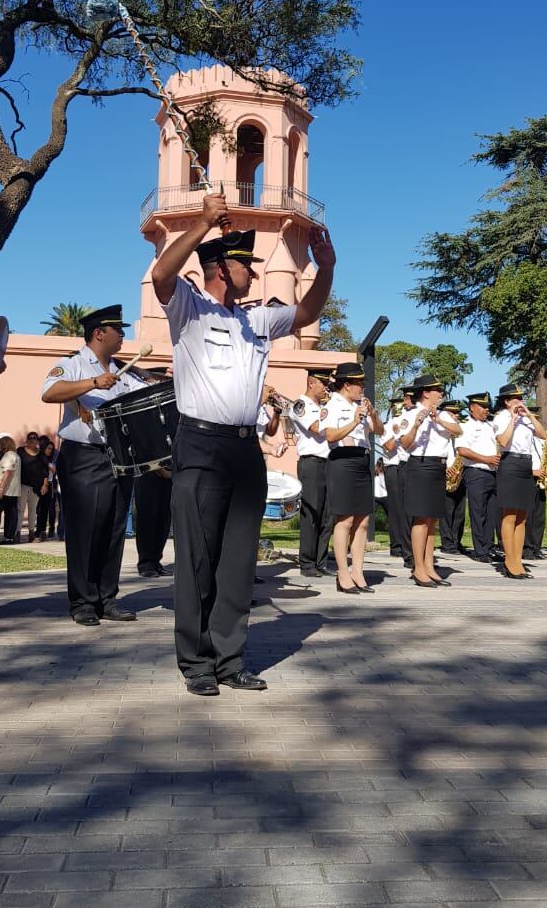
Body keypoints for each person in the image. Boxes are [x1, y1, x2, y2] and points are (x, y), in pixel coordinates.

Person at [151, 195, 335, 696]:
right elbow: (162, 275)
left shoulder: (257, 319)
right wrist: (203, 224)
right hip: (200, 446)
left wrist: (327, 267)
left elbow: (307, 311)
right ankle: (196, 664)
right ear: (217, 267)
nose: (252, 273)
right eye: (243, 264)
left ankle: (230, 661)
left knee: (236, 563)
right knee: (197, 558)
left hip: (243, 449)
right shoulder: (189, 308)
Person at [41, 304, 144, 625]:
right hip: (84, 455)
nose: (123, 336)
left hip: (118, 457)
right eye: (119, 330)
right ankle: (83, 602)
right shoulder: (72, 364)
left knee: (114, 528)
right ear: (100, 333)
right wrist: (92, 384)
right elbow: (49, 392)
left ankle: (107, 597)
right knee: (86, 528)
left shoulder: (124, 371)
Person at [323, 362, 382, 594]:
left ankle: (358, 571)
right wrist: (354, 422)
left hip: (361, 460)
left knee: (363, 521)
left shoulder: (361, 405)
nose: (363, 387)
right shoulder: (333, 405)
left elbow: (379, 431)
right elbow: (330, 435)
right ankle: (343, 572)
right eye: (359, 383)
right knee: (345, 520)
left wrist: (373, 415)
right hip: (342, 461)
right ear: (346, 385)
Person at [399, 375, 462, 588]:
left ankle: (429, 565)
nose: (441, 393)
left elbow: (458, 431)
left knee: (432, 519)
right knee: (421, 518)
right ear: (425, 393)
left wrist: (439, 420)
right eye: (437, 390)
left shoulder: (443, 414)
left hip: (438, 466)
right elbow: (405, 444)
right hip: (420, 465)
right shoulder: (411, 414)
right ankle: (418, 568)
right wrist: (417, 426)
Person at [493, 383, 547, 579]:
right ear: (506, 401)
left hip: (526, 464)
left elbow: (543, 434)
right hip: (510, 463)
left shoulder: (526, 418)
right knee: (509, 514)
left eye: (521, 398)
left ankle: (517, 559)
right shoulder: (501, 417)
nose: (520, 401)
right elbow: (503, 442)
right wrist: (513, 421)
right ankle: (510, 561)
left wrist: (529, 415)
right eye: (516, 398)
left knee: (522, 517)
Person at [288, 369, 334, 578]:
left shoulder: (324, 407)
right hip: (311, 463)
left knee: (327, 515)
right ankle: (307, 563)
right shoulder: (300, 405)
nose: (326, 387)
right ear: (311, 383)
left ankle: (321, 561)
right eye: (323, 383)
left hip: (329, 462)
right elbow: (316, 428)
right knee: (311, 513)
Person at [455, 392, 501, 563]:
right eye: (482, 407)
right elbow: (462, 450)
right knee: (478, 512)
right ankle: (480, 550)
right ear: (472, 408)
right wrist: (486, 459)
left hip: (493, 473)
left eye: (487, 407)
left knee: (491, 513)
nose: (486, 410)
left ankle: (490, 547)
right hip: (476, 472)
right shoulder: (466, 426)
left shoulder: (490, 426)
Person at [380, 395, 412, 565]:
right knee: (395, 508)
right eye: (397, 407)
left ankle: (407, 543)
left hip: (405, 466)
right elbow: (390, 446)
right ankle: (396, 545)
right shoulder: (387, 426)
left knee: (407, 508)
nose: (400, 410)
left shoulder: (405, 422)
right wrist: (399, 433)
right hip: (392, 467)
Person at [438, 400, 467, 556]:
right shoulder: (441, 435)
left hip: (460, 473)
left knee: (460, 511)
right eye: (452, 413)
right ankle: (447, 543)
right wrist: (445, 469)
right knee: (447, 511)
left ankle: (457, 541)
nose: (455, 416)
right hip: (446, 474)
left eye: (456, 413)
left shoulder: (458, 433)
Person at [523, 407, 547, 561]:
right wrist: (533, 472)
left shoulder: (540, 439)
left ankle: (536, 547)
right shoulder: (523, 438)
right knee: (528, 516)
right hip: (528, 477)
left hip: (540, 480)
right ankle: (527, 548)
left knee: (539, 516)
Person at [16, 431, 49, 541]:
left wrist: (45, 485)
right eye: (30, 437)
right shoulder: (20, 451)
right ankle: (17, 532)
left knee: (33, 510)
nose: (32, 439)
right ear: (27, 440)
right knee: (20, 509)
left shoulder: (41, 455)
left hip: (36, 487)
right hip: (22, 485)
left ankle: (31, 533)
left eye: (35, 438)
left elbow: (45, 472)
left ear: (37, 441)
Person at [0, 434, 21, 543]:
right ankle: (8, 537)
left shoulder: (9, 456)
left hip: (7, 491)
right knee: (11, 514)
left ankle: (7, 537)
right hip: (12, 491)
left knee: (4, 514)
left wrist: (0, 489)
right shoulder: (15, 455)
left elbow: (7, 472)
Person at [34, 438, 58, 541]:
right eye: (48, 448)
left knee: (45, 510)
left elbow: (54, 471)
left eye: (52, 449)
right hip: (40, 486)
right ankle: (38, 530)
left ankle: (42, 530)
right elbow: (45, 472)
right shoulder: (41, 458)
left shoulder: (50, 459)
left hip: (50, 486)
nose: (50, 451)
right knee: (39, 509)